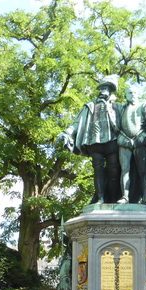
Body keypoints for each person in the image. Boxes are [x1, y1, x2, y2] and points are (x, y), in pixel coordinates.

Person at [59, 76, 122, 204]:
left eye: (105, 88)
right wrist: (66, 133)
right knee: (98, 171)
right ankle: (100, 198)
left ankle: (114, 199)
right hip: (95, 143)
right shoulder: (90, 106)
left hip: (112, 142)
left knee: (113, 171)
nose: (102, 91)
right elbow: (77, 123)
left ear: (110, 91)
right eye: (101, 88)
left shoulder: (118, 106)